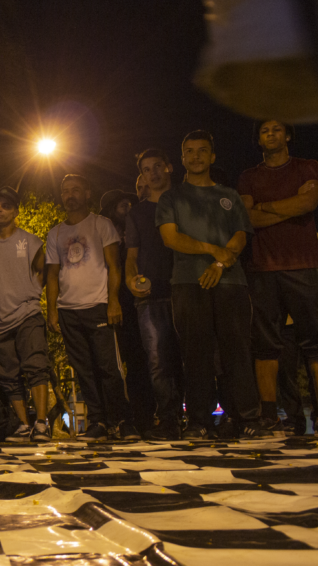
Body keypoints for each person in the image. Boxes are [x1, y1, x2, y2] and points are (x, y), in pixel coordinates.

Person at [157, 130, 262, 439]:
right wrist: (211, 249)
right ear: (182, 158)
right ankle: (199, 421)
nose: (196, 156)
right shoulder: (171, 197)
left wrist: (220, 262)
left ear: (212, 156)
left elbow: (241, 236)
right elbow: (170, 237)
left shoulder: (228, 196)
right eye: (189, 151)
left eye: (202, 151)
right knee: (196, 353)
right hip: (188, 283)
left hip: (230, 282)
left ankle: (246, 418)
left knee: (237, 351)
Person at [239, 120, 318, 439]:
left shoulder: (308, 167)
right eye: (263, 131)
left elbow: (309, 202)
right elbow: (248, 218)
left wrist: (268, 208)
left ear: (287, 135)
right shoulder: (249, 176)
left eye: (276, 129)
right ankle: (268, 416)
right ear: (258, 139)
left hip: (303, 266)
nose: (270, 134)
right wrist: (292, 206)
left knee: (316, 342)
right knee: (265, 345)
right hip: (263, 268)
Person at [45, 174, 134, 441]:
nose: (70, 195)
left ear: (87, 193)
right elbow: (51, 275)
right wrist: (51, 310)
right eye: (65, 191)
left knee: (109, 367)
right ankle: (99, 423)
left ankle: (122, 420)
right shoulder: (56, 233)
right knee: (83, 370)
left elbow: (114, 266)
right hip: (68, 311)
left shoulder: (101, 224)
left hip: (98, 305)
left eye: (75, 190)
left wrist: (113, 300)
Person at [0, 187, 51, 442]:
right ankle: (22, 424)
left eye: (5, 205)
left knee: (36, 366)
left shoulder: (29, 240)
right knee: (7, 376)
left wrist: (33, 291)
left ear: (15, 211)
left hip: (27, 312)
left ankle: (41, 423)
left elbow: (46, 270)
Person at [125, 149, 184, 439]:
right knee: (158, 360)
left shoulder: (185, 202)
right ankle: (169, 419)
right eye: (146, 169)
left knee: (192, 356)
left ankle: (200, 418)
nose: (153, 173)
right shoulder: (137, 212)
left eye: (158, 166)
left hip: (186, 289)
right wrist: (131, 279)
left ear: (170, 166)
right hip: (150, 295)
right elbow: (131, 255)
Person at [99, 188, 155, 433]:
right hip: (118, 305)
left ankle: (148, 415)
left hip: (142, 300)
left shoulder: (140, 232)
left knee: (148, 360)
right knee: (121, 364)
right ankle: (124, 418)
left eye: (130, 204)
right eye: (123, 205)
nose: (128, 209)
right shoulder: (107, 238)